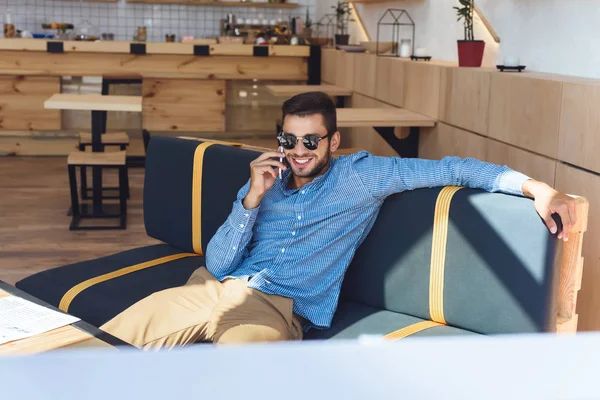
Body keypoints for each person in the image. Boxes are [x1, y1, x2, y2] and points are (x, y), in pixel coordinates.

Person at [102, 92, 578, 349]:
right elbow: (220, 262)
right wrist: (250, 201)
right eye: (290, 140)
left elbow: (453, 168)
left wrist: (538, 188)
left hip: (274, 306)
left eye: (312, 141)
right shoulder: (263, 178)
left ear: (333, 141)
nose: (299, 152)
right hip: (208, 286)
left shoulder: (363, 176)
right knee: (101, 345)